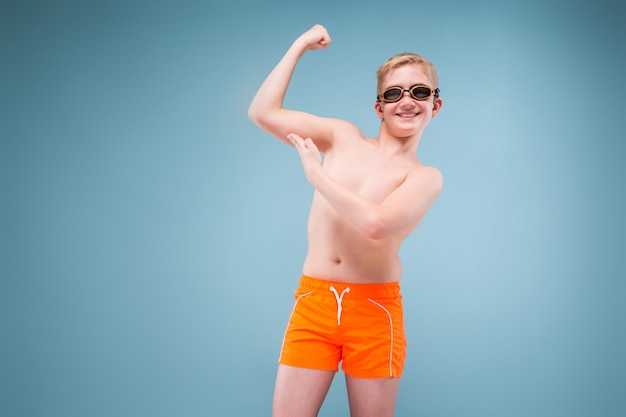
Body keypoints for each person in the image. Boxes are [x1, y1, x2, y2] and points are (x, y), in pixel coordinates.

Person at [248, 24, 443, 417]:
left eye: (419, 91)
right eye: (394, 93)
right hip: (314, 302)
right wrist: (299, 45)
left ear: (435, 104)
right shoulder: (342, 136)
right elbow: (262, 113)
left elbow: (375, 223)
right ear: (380, 107)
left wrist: (318, 177)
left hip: (375, 311)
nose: (407, 101)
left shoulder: (425, 177)